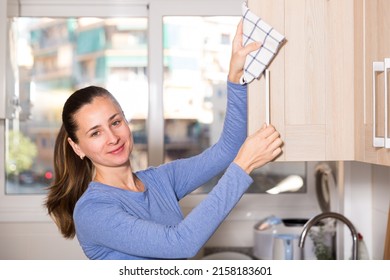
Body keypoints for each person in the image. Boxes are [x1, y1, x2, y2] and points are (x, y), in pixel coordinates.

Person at [45, 20, 283, 260]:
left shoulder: (161, 181)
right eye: (95, 133)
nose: (113, 138)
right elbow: (180, 244)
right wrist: (243, 167)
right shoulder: (92, 211)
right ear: (77, 147)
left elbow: (228, 150)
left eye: (115, 122)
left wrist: (235, 77)